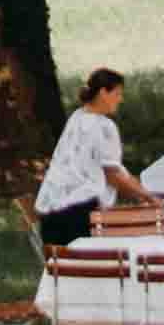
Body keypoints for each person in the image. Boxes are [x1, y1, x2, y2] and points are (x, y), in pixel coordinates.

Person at [33, 68, 133, 248]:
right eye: (117, 94)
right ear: (103, 92)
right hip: (77, 217)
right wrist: (148, 197)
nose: (120, 99)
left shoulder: (77, 117)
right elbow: (112, 174)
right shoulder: (103, 126)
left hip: (50, 217)